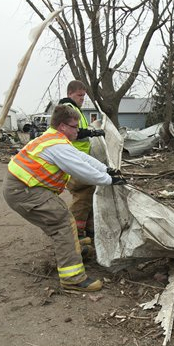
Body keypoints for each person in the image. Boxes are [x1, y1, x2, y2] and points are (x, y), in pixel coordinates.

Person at [3, 105, 125, 292]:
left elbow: (81, 158)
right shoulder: (57, 145)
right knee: (62, 222)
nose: (78, 130)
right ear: (62, 126)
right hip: (24, 190)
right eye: (74, 126)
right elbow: (81, 170)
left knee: (58, 220)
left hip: (25, 188)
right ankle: (72, 279)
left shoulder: (55, 139)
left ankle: (72, 250)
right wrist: (109, 180)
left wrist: (105, 169)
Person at [59, 80, 104, 242]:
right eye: (79, 95)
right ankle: (74, 233)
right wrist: (92, 133)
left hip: (79, 159)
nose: (82, 98)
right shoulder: (68, 110)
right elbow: (74, 133)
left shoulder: (75, 110)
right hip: (73, 161)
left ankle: (88, 229)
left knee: (90, 191)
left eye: (84, 96)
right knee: (83, 193)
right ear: (70, 93)